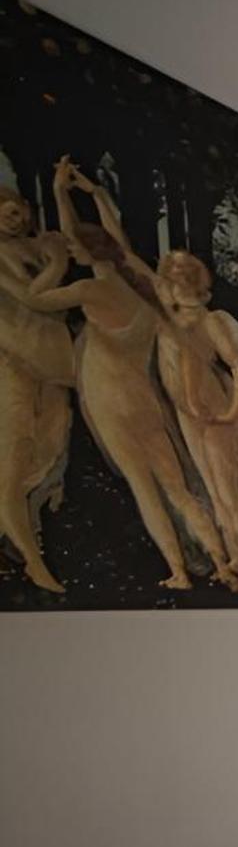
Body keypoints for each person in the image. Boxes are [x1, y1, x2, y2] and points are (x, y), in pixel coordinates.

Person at [28, 159, 238, 594]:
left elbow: (36, 298)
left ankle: (179, 572)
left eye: (75, 251)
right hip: (144, 402)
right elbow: (112, 242)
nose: (71, 252)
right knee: (177, 489)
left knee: (145, 488)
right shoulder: (142, 289)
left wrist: (56, 250)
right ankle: (221, 561)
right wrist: (85, 194)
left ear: (85, 254)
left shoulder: (88, 290)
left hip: (111, 404)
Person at [154, 250, 238, 580]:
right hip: (187, 414)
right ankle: (235, 558)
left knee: (228, 491)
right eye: (171, 281)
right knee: (212, 491)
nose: (173, 287)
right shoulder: (169, 321)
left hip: (213, 412)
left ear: (190, 283)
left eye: (179, 280)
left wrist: (233, 410)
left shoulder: (208, 321)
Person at [0, 185, 75, 593]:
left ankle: (16, 534)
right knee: (13, 458)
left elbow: (60, 299)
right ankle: (33, 560)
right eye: (3, 215)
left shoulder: (37, 245)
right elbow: (32, 297)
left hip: (52, 362)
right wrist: (58, 260)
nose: (11, 220)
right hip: (13, 361)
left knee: (50, 448)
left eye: (15, 212)